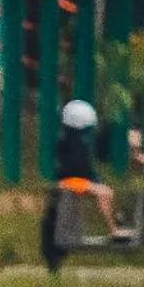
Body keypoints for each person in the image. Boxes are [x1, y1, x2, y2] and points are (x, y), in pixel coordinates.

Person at [55, 99, 131, 239]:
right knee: (105, 193)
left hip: (74, 180)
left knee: (106, 191)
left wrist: (94, 180)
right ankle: (114, 230)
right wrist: (92, 182)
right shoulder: (72, 142)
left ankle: (117, 225)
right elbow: (76, 168)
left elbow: (83, 167)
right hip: (68, 181)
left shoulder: (71, 138)